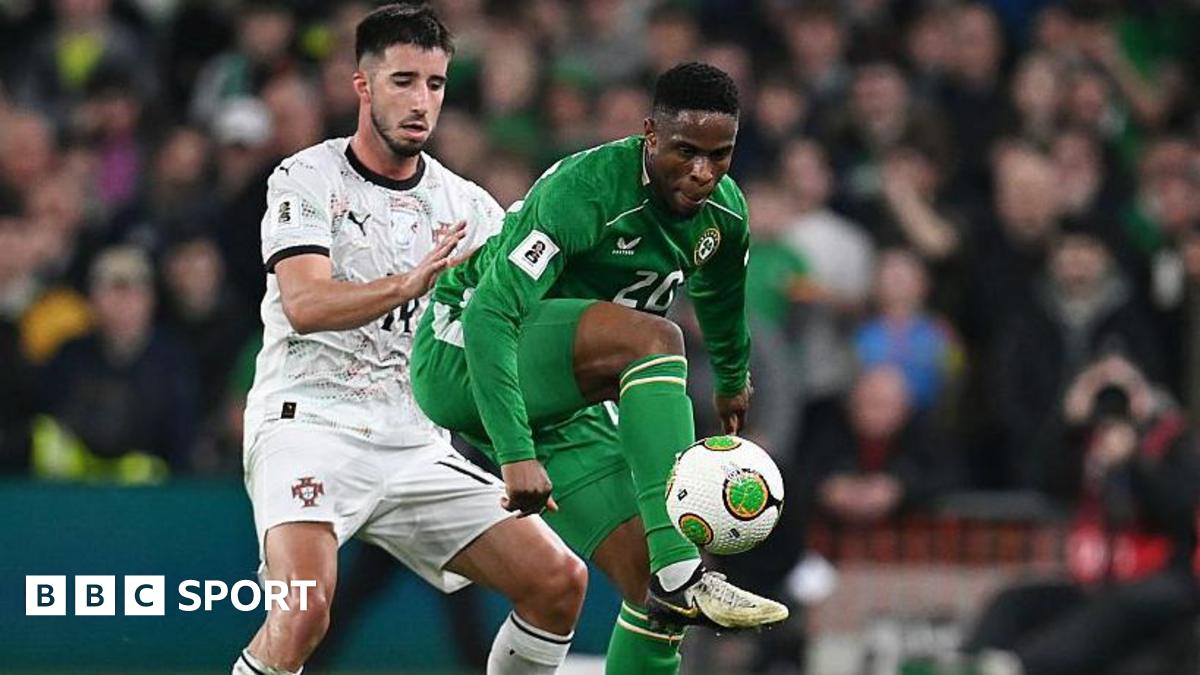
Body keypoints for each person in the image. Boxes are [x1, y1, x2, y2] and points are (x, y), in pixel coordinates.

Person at [232, 6, 587, 675]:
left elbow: (515, 329)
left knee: (559, 581)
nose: (422, 101)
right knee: (304, 609)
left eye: (435, 84)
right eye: (403, 81)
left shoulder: (470, 208)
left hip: (413, 442)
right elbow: (304, 303)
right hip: (308, 422)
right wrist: (407, 283)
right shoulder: (306, 178)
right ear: (362, 86)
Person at [411, 61, 789, 675]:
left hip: (569, 397)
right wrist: (514, 454)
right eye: (684, 152)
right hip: (462, 360)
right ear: (649, 135)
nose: (702, 173)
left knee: (654, 600)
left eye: (720, 156)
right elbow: (488, 317)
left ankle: (668, 578)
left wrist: (731, 379)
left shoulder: (724, 212)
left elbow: (721, 298)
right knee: (655, 339)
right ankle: (680, 565)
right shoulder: (586, 190)